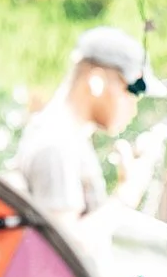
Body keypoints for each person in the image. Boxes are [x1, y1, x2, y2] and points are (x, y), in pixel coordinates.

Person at [10, 26, 147, 259]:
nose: (134, 105)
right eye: (133, 89)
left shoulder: (65, 137)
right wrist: (126, 195)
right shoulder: (56, 144)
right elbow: (63, 250)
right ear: (96, 81)